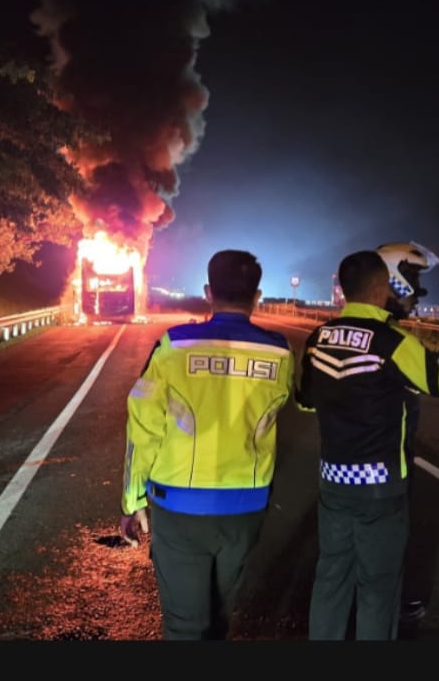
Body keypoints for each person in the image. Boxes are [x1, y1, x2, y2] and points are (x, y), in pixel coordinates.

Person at [297, 248, 439, 640]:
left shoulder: (317, 339)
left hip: (332, 484)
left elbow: (305, 401)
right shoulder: (394, 342)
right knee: (377, 592)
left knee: (330, 581)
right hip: (381, 489)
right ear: (382, 288)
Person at [119, 249, 295, 640]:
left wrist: (132, 502)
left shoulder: (173, 345)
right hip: (245, 507)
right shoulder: (281, 352)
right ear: (257, 296)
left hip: (178, 505)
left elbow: (143, 426)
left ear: (208, 292)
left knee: (185, 626)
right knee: (219, 620)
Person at [375, 241, 439, 623]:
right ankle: (389, 607)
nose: (419, 292)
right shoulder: (396, 341)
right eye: (413, 279)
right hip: (387, 468)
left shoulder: (352, 331)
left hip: (346, 469)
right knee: (387, 537)